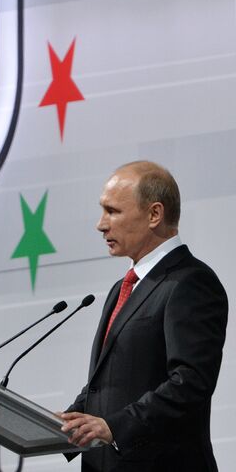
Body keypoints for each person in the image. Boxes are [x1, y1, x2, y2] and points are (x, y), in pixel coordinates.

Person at [60, 160, 228, 472]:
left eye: (113, 211)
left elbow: (190, 384)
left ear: (154, 214)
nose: (101, 224)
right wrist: (65, 421)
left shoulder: (190, 282)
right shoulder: (121, 289)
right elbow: (109, 382)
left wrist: (115, 426)